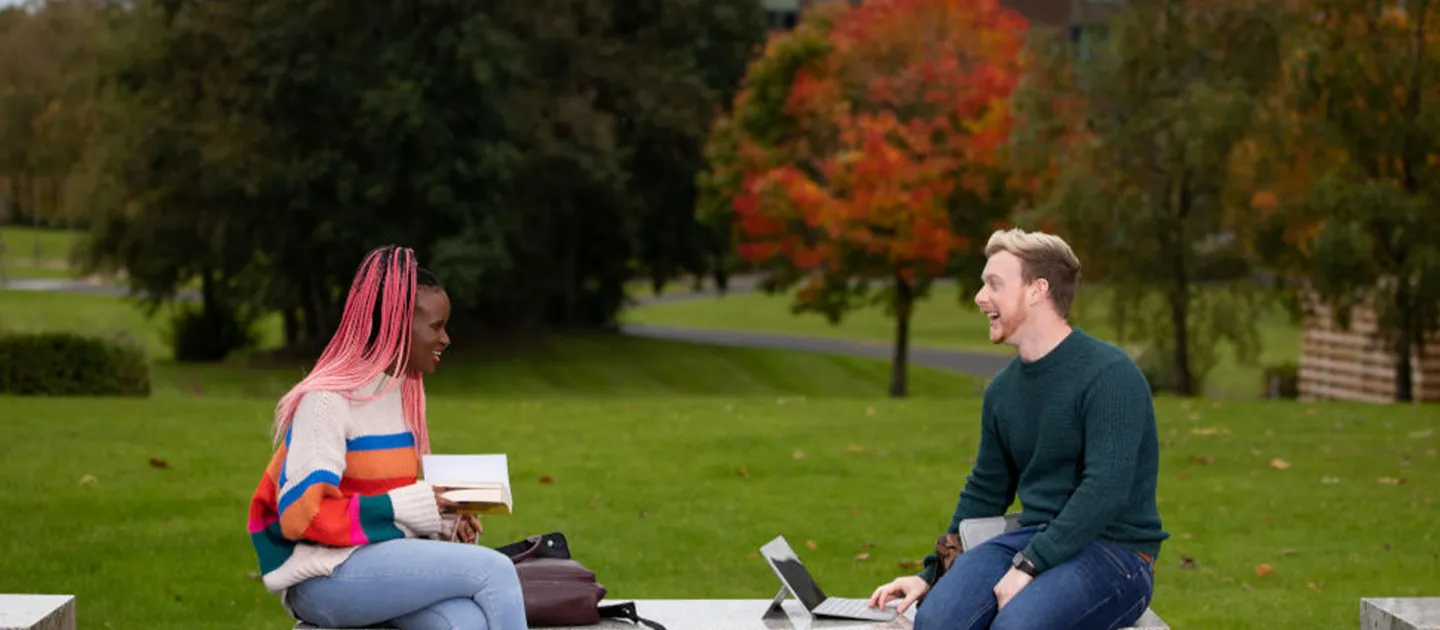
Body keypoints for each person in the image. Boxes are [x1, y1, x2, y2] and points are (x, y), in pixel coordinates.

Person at [867, 228, 1168, 630]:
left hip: (1116, 551)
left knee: (1018, 626)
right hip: (1033, 538)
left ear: (1036, 290)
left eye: (993, 284)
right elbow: (985, 490)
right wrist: (931, 576)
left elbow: (1105, 489)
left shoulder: (1110, 376)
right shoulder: (1002, 392)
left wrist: (1030, 565)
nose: (979, 297)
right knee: (937, 620)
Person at [246, 245, 527, 630]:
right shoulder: (327, 401)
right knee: (494, 570)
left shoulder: (401, 393)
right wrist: (416, 502)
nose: (446, 339)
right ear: (396, 323)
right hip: (322, 577)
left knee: (464, 623)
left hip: (380, 566)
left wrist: (444, 520)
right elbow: (302, 515)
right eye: (436, 326)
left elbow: (390, 504)